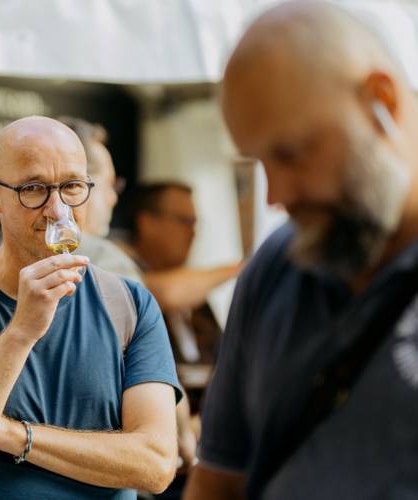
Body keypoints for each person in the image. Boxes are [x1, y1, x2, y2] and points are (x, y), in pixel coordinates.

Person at [185, 2, 418, 499]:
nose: (276, 194)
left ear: (383, 101)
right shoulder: (277, 264)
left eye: (290, 153)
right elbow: (218, 483)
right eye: (260, 162)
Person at [0, 116, 181, 498]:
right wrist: (21, 332)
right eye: (33, 189)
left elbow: (156, 465)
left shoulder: (130, 305)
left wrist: (5, 431)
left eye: (72, 186)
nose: (57, 209)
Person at [131, 183, 239, 411]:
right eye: (184, 221)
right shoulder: (124, 272)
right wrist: (244, 267)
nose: (193, 233)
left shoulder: (196, 297)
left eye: (195, 223)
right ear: (147, 223)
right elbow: (165, 292)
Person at [58, 116, 143, 283]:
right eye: (110, 184)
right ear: (77, 186)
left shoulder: (6, 256)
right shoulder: (106, 261)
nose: (113, 198)